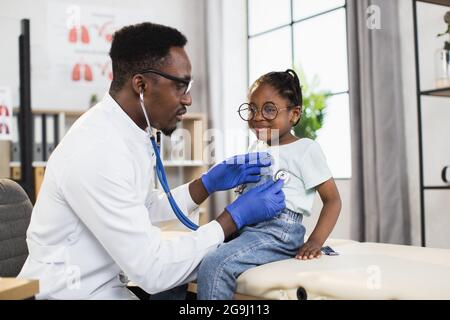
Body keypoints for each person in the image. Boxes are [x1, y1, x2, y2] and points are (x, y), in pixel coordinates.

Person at [18, 22, 286, 300]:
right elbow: (154, 270)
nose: (189, 98)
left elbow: (142, 208)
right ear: (141, 85)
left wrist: (206, 184)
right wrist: (233, 218)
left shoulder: (128, 133)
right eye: (181, 85)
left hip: (106, 287)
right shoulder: (97, 150)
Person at [196, 69, 342, 300]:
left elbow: (333, 200)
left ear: (294, 115)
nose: (257, 116)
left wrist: (315, 241)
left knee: (216, 264)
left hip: (279, 233)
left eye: (269, 109)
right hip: (245, 228)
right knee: (189, 255)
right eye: (252, 109)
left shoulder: (305, 149)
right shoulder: (256, 150)